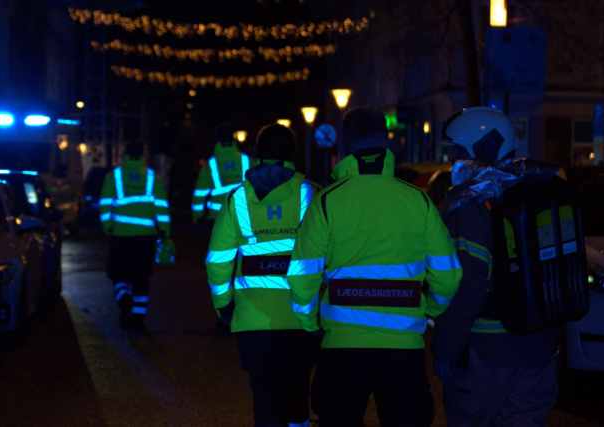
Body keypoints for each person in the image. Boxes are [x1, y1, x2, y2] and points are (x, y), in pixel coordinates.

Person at [286, 108, 462, 427]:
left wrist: (311, 324)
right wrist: (429, 311)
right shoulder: (417, 201)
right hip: (404, 351)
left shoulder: (326, 202)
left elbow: (301, 278)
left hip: (341, 349)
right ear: (386, 142)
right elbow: (448, 276)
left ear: (346, 144)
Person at [431, 107, 559, 426]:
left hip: (486, 357)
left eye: (459, 152)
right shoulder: (539, 190)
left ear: (482, 149)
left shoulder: (471, 207)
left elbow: (466, 291)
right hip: (538, 351)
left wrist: (445, 348)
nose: (453, 161)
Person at [205, 124, 320, 427]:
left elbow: (218, 262)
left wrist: (224, 306)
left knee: (265, 398)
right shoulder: (312, 195)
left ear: (257, 154)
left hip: (252, 319)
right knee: (297, 392)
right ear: (292, 153)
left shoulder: (237, 200)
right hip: (303, 316)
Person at [99, 143, 171, 332]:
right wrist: (164, 231)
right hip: (146, 238)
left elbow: (105, 206)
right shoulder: (152, 177)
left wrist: (109, 228)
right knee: (141, 278)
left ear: (124, 155)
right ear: (142, 156)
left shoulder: (114, 176)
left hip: (121, 237)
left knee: (118, 274)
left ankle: (124, 302)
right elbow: (162, 207)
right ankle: (138, 318)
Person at [192, 122, 251, 228]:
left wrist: (198, 217)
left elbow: (199, 194)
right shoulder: (246, 160)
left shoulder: (211, 163)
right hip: (244, 216)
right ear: (233, 138)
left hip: (217, 217)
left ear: (216, 139)